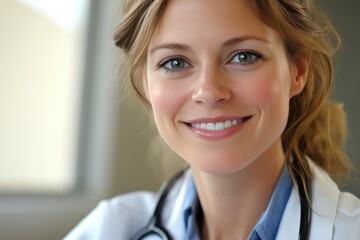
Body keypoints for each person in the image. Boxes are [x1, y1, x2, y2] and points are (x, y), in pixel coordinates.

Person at [65, 0, 360, 239]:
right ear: (146, 83)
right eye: (175, 62)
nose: (208, 92)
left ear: (297, 71)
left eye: (244, 56)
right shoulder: (110, 229)